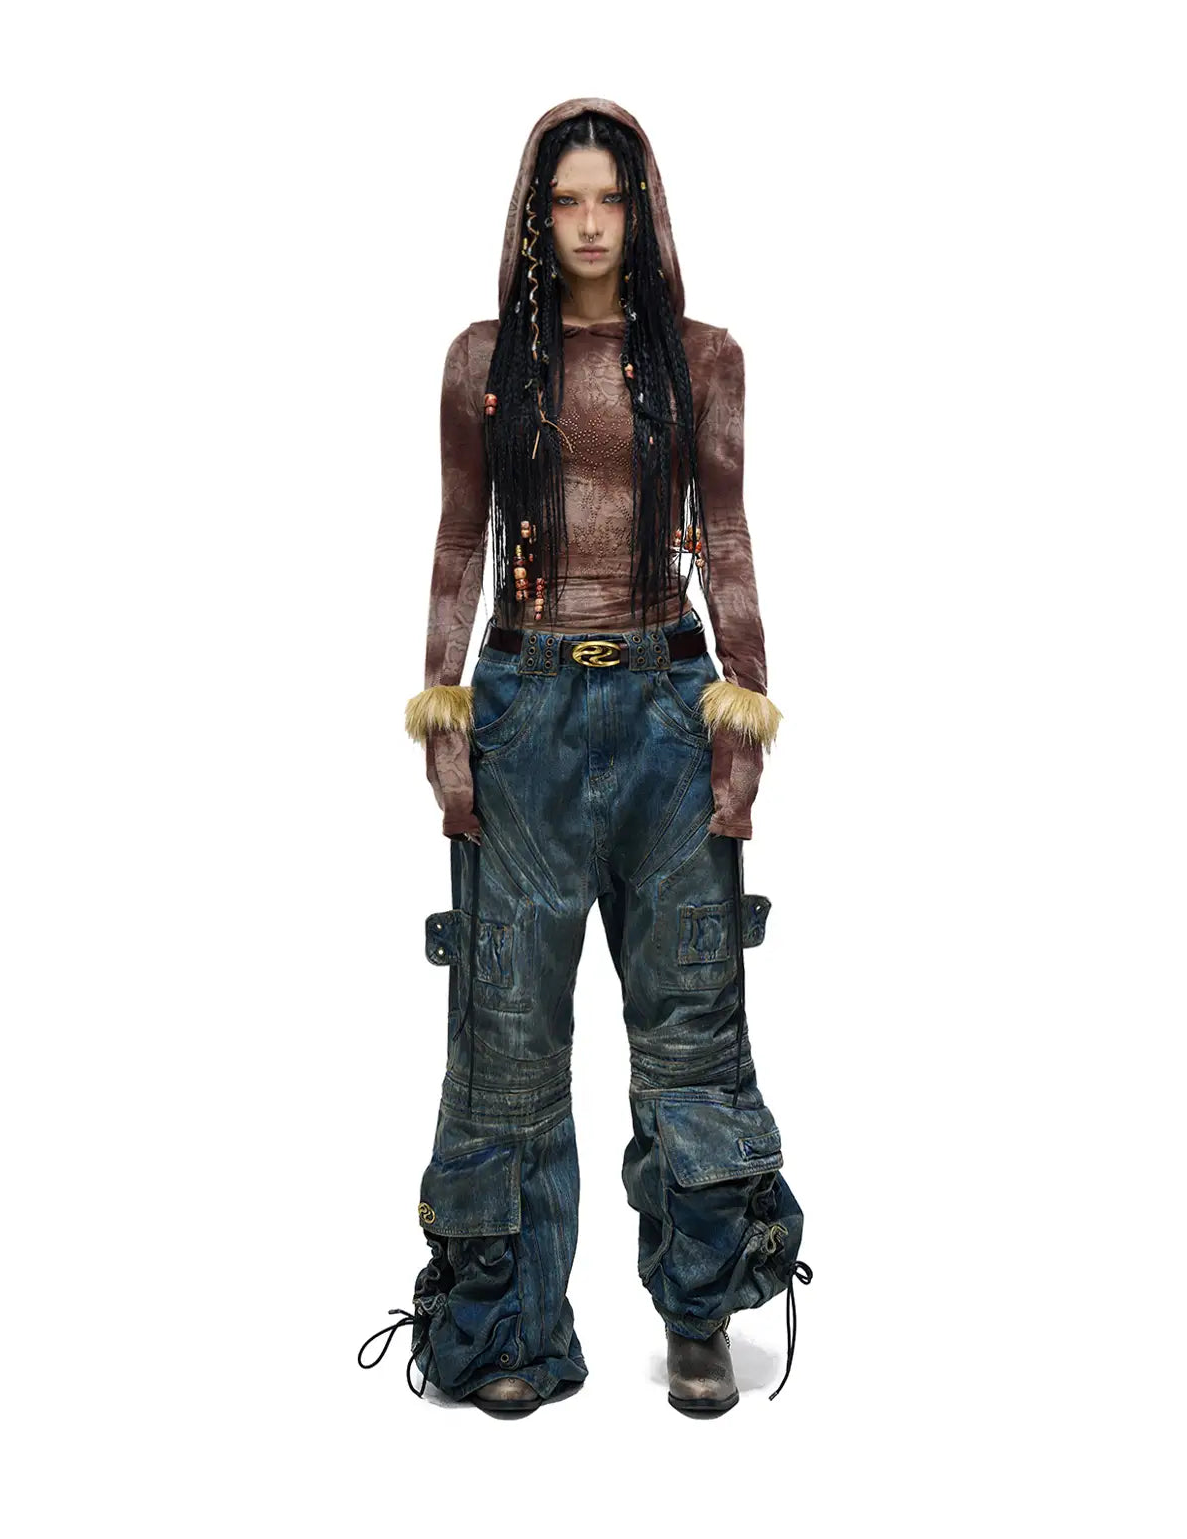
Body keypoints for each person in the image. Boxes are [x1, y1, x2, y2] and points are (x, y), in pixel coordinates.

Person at [357, 97, 811, 1417]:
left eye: (612, 197)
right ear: (535, 216)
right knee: (504, 1034)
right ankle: (507, 1329)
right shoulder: (482, 362)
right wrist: (444, 716)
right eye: (568, 200)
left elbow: (728, 536)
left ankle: (698, 1318)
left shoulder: (705, 360)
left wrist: (745, 713)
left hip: (670, 705)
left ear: (642, 208)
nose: (592, 222)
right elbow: (460, 540)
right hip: (525, 712)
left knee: (690, 1028)